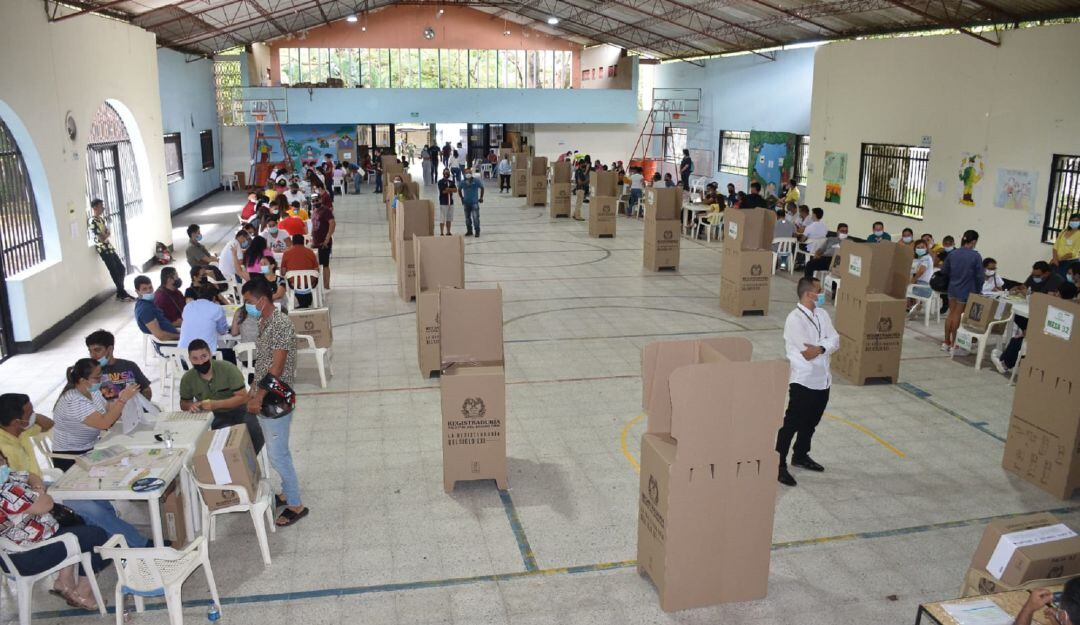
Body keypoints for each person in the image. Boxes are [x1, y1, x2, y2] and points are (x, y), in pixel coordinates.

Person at [0, 447, 113, 610]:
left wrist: (36, 489)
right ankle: (83, 593)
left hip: (17, 552)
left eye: (2, 460)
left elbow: (31, 476)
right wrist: (39, 492)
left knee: (74, 522)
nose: (2, 466)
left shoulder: (8, 479)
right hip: (28, 556)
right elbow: (46, 504)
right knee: (99, 536)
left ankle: (63, 581)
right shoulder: (6, 492)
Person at [241, 279, 308, 527]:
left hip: (275, 398)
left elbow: (277, 367)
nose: (246, 306)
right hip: (265, 392)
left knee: (278, 456)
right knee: (277, 451)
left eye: (248, 301)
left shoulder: (279, 324)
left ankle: (296, 504)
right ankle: (286, 492)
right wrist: (252, 389)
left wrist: (258, 397)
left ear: (261, 300)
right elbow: (264, 361)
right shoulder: (265, 321)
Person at [776, 277, 838, 487]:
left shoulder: (822, 314)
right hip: (803, 379)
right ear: (808, 294)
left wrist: (821, 347)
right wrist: (824, 347)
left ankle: (800, 455)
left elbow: (835, 340)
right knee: (791, 423)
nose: (822, 294)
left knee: (811, 422)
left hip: (823, 379)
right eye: (819, 291)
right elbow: (807, 353)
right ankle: (778, 464)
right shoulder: (795, 319)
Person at [179, 339, 264, 452]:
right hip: (214, 415)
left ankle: (245, 464)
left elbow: (243, 397)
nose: (200, 362)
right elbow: (183, 403)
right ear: (189, 359)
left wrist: (215, 404)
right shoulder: (188, 379)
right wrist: (191, 405)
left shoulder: (227, 369)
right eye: (195, 358)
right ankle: (235, 463)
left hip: (240, 409)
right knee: (223, 440)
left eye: (203, 356)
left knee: (255, 433)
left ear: (210, 354)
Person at [942, 230, 984, 352]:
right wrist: (978, 290)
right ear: (974, 241)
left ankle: (946, 342)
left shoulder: (953, 254)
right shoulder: (975, 256)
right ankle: (955, 344)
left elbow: (945, 271)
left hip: (952, 288)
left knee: (951, 314)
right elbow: (980, 277)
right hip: (965, 290)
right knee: (957, 315)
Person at [88, 199, 134, 301]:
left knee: (121, 268)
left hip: (109, 247)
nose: (103, 208)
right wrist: (105, 234)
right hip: (103, 249)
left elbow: (108, 233)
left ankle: (120, 291)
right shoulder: (92, 221)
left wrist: (105, 234)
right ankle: (121, 292)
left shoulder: (101, 219)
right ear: (95, 208)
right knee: (113, 270)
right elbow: (102, 238)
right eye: (101, 206)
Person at [85, 330, 152, 401]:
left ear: (110, 349)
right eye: (90, 351)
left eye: (97, 350)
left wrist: (143, 407)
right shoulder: (88, 372)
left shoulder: (129, 366)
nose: (92, 355)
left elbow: (146, 390)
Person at [178, 287, 229, 355]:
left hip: (181, 356)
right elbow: (222, 331)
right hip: (204, 359)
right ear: (214, 298)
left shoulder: (188, 306)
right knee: (230, 354)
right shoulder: (217, 308)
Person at [133, 275, 179, 344]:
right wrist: (180, 336)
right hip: (169, 343)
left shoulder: (147, 303)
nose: (149, 291)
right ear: (137, 291)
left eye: (150, 287)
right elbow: (161, 336)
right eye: (144, 289)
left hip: (173, 337)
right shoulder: (145, 310)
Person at [281, 234, 319, 308]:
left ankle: (300, 303)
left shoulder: (286, 253)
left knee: (290, 280)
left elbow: (283, 272)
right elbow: (317, 270)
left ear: (292, 242)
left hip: (294, 284)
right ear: (303, 242)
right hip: (309, 284)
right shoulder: (310, 252)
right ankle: (306, 301)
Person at [310, 192, 335, 292]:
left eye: (317, 200)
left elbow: (332, 223)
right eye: (313, 201)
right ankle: (319, 286)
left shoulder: (326, 210)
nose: (315, 202)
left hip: (324, 242)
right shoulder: (314, 210)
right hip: (315, 242)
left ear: (320, 200)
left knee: (325, 264)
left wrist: (327, 238)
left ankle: (326, 286)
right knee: (317, 265)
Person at [459, 168, 484, 238]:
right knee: (467, 218)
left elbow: (482, 187)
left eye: (469, 173)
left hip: (474, 203)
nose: (468, 174)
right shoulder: (462, 182)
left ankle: (477, 231)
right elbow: (459, 189)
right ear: (464, 174)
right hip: (466, 203)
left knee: (475, 217)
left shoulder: (476, 181)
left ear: (471, 173)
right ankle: (469, 231)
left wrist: (481, 197)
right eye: (466, 173)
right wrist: (462, 197)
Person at [437, 168, 457, 236]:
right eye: (445, 172)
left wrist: (449, 189)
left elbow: (455, 190)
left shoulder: (451, 182)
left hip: (450, 203)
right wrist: (450, 190)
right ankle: (442, 232)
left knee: (449, 218)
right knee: (442, 218)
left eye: (448, 172)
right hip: (443, 202)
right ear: (443, 173)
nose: (446, 174)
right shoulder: (440, 182)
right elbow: (443, 191)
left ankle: (448, 231)